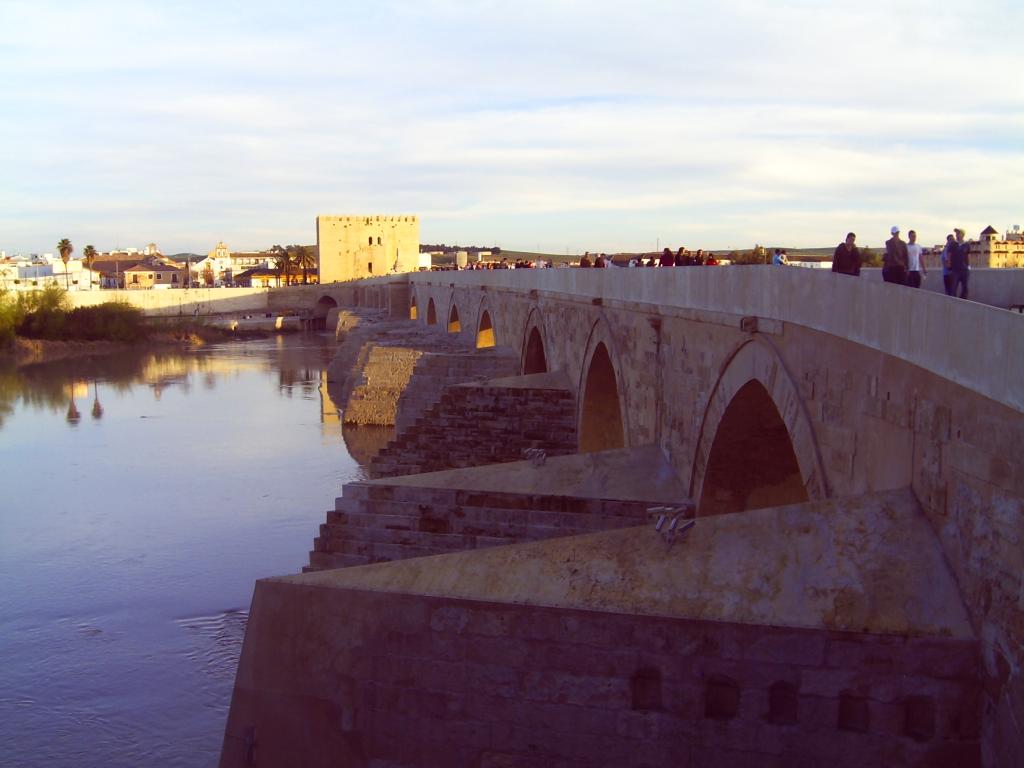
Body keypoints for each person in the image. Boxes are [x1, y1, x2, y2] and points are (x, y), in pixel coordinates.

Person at [950, 228, 970, 299]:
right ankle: (954, 302)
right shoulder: (953, 245)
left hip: (964, 269)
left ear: (962, 235)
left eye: (958, 233)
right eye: (956, 234)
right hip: (955, 270)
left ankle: (963, 301)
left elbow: (967, 256)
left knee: (965, 288)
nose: (957, 235)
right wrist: (950, 266)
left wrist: (968, 266)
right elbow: (950, 255)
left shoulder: (967, 245)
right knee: (953, 288)